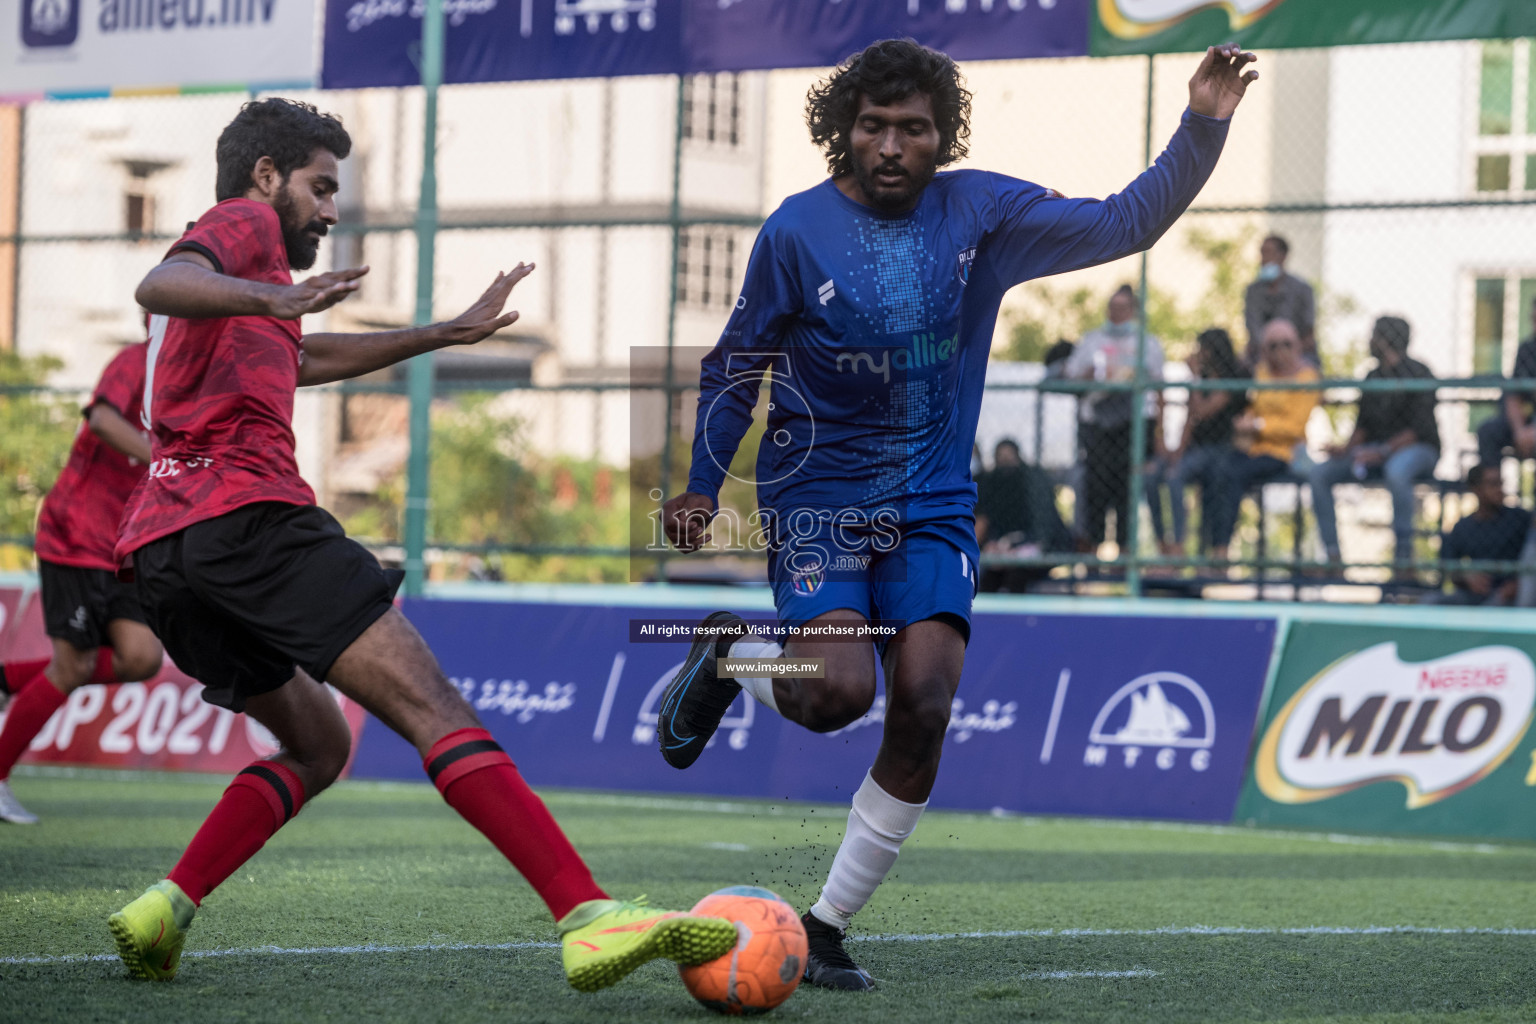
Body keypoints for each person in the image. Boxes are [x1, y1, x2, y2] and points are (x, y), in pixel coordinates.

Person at [654, 38, 1257, 990]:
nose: (891, 145)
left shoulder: (984, 212)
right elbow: (736, 363)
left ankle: (827, 927)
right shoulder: (794, 231)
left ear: (944, 138)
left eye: (913, 128)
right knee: (836, 696)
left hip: (933, 500)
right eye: (874, 126)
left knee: (926, 702)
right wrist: (698, 481)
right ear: (842, 132)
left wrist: (1203, 121)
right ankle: (729, 654)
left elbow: (1127, 222)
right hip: (818, 499)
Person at [104, 98, 736, 988]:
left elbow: (305, 360)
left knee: (320, 746)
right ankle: (586, 915)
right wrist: (274, 291)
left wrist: (440, 332)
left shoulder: (243, 302)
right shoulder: (242, 229)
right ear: (265, 175)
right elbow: (158, 283)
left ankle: (163, 908)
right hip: (248, 519)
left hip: (165, 548)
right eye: (322, 188)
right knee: (436, 709)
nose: (329, 209)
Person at [0, 342, 164, 824]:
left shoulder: (195, 376)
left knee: (142, 657)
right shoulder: (138, 360)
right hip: (77, 533)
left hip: (124, 542)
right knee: (72, 667)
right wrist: (161, 457)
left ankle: (7, 680)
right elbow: (102, 420)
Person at [1309, 315, 1440, 567]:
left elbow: (1419, 429)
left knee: (1397, 471)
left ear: (1385, 340)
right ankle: (1333, 557)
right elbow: (1363, 425)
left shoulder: (1419, 372)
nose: (1369, 341)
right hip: (1374, 453)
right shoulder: (1372, 376)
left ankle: (1403, 561)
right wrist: (1346, 449)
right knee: (1320, 474)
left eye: (1374, 336)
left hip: (1417, 451)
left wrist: (1382, 451)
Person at [1065, 286, 1165, 552]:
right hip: (1097, 423)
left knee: (1127, 485)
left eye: (1123, 308)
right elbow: (1073, 376)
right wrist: (1093, 374)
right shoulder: (1091, 340)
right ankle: (1093, 546)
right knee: (1095, 483)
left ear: (1132, 310)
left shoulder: (1147, 343)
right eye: (1113, 307)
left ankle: (1125, 548)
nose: (1116, 313)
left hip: (1131, 423)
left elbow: (1158, 384)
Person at [1211, 319, 1319, 561]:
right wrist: (1246, 421)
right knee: (1218, 470)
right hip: (1252, 447)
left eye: (1286, 345)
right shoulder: (1261, 372)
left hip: (1284, 452)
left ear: (1297, 347)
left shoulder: (1307, 377)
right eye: (1272, 346)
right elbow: (1254, 406)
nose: (1280, 351)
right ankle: (1212, 548)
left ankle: (1221, 551)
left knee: (1232, 474)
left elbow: (1294, 426)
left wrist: (1259, 425)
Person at [1144, 327, 1247, 559]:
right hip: (1193, 448)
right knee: (1150, 477)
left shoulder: (1228, 380)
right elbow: (1190, 421)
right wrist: (1175, 451)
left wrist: (1194, 378)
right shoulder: (1202, 379)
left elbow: (1201, 411)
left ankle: (1179, 547)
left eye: (1202, 349)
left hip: (1217, 450)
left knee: (1174, 478)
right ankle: (1164, 545)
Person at [974, 438, 1070, 592]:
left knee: (1016, 576)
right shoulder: (994, 487)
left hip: (1037, 551)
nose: (1005, 464)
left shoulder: (1032, 483)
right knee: (989, 579)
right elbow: (991, 527)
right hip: (1005, 554)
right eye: (1001, 458)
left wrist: (1018, 546)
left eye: (1009, 457)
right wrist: (997, 545)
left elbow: (1044, 532)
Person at [1426, 464, 1530, 605]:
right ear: (1476, 489)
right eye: (1493, 484)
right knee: (1430, 601)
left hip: (1510, 597)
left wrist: (1520, 582)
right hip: (1474, 596)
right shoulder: (1463, 527)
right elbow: (1448, 566)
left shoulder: (1519, 518)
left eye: (1501, 483)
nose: (1499, 489)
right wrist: (1467, 577)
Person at [1476, 293, 1536, 467]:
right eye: (1533, 319)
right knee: (1488, 431)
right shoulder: (1528, 349)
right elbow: (1513, 394)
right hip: (1527, 420)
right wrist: (1519, 431)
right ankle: (1493, 488)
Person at [1243, 234, 1315, 365]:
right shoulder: (1253, 291)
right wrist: (1270, 350)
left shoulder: (1302, 289)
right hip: (1262, 352)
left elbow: (1308, 328)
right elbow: (1252, 325)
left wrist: (1287, 350)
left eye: (1269, 253)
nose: (1264, 259)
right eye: (1262, 253)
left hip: (1297, 351)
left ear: (1283, 256)